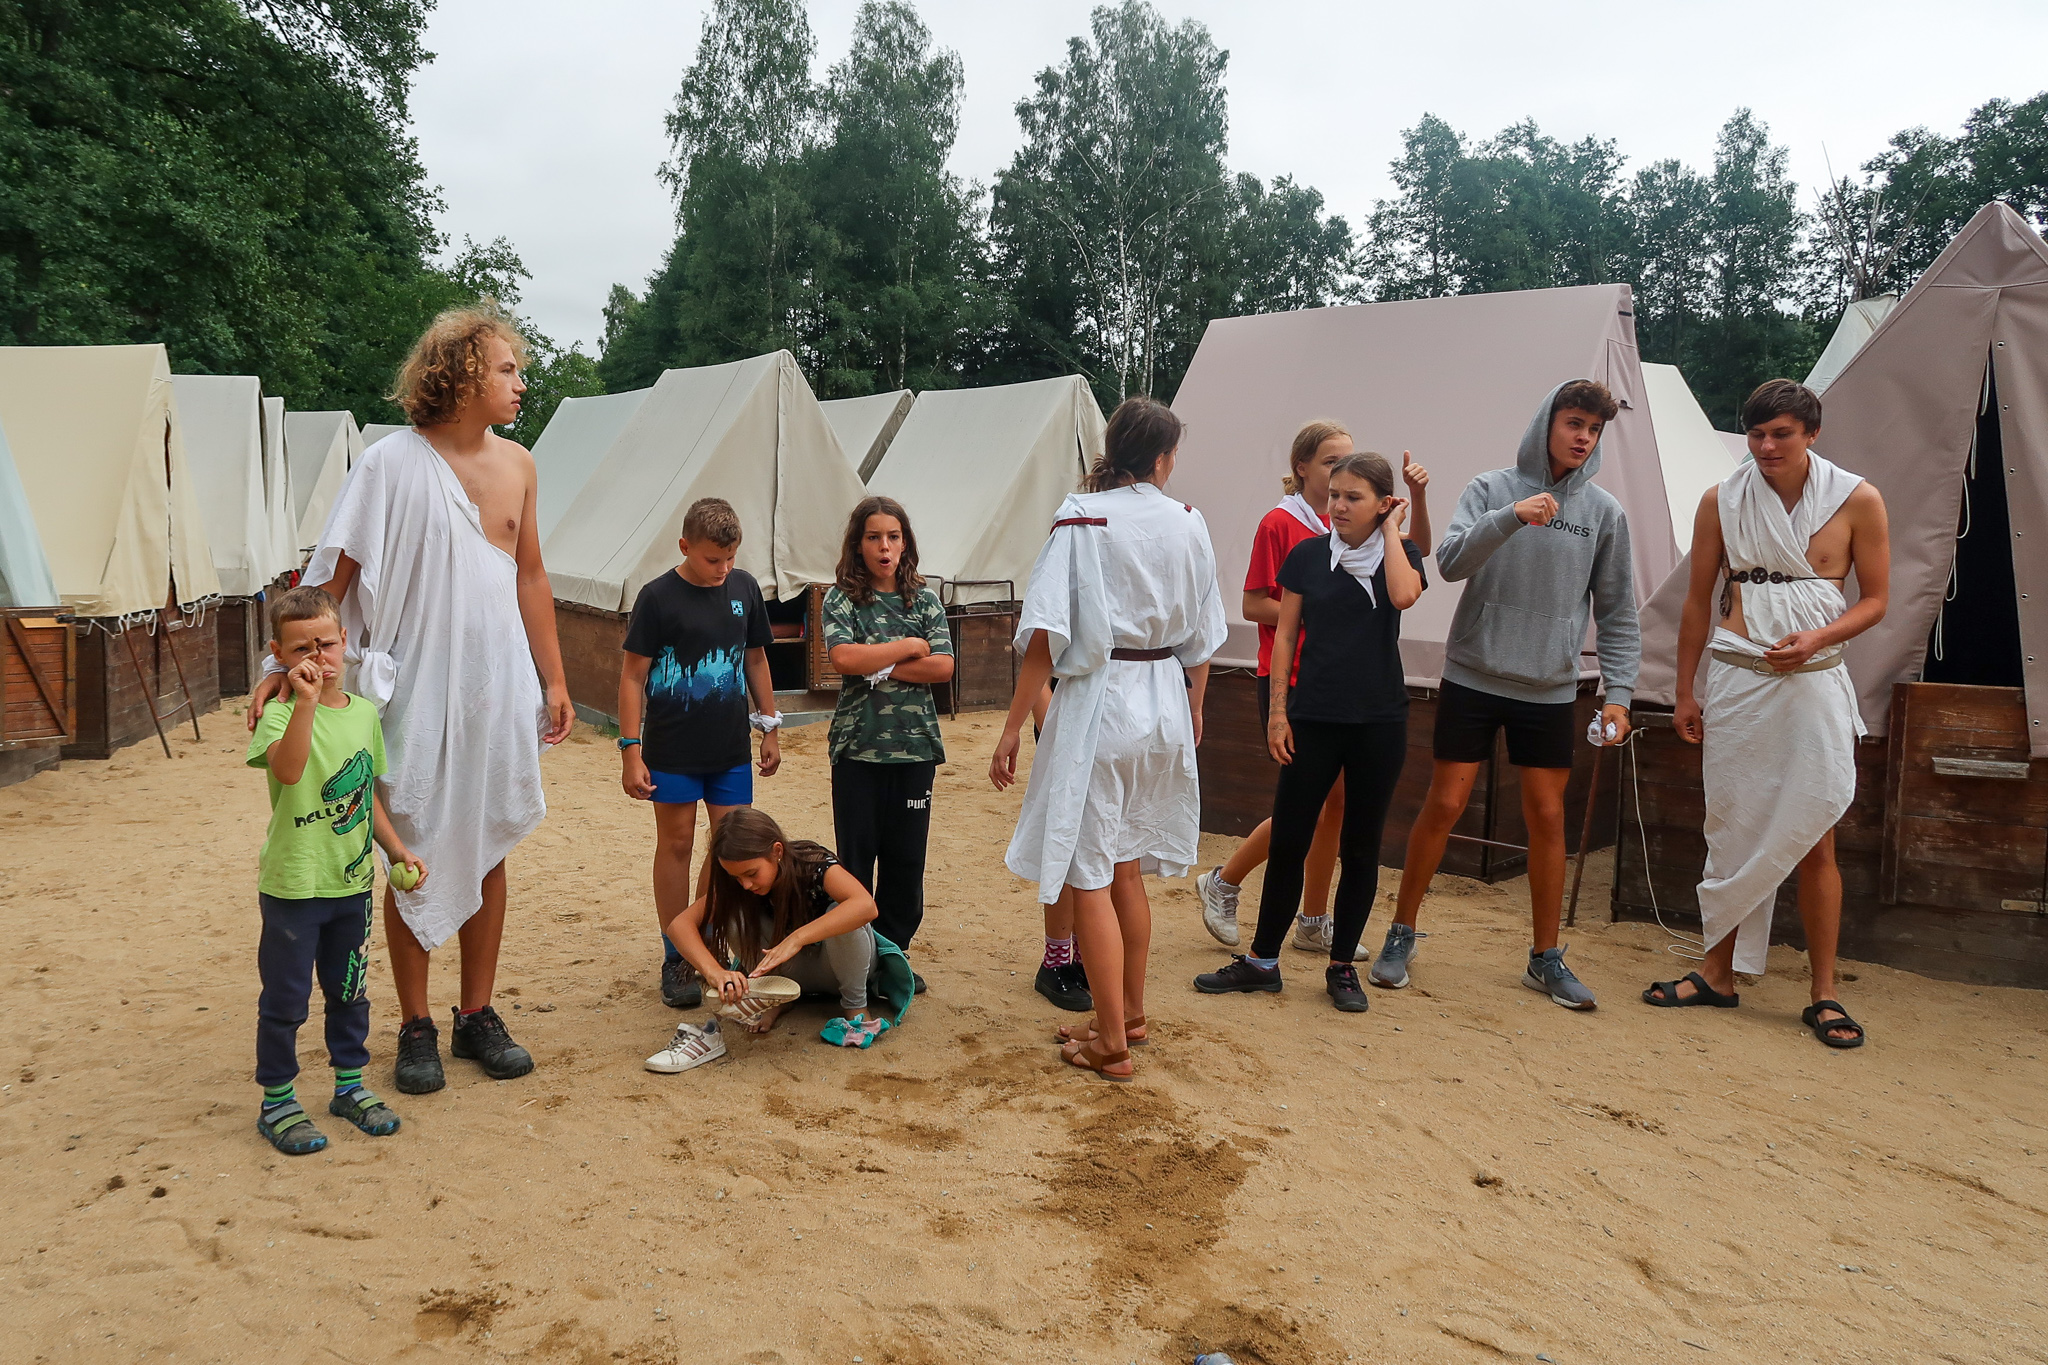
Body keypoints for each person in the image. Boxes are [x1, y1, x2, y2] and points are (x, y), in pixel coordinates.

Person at [247, 303, 574, 1094]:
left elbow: (530, 575)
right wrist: (278, 662)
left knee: (488, 840)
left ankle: (477, 1013)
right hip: (416, 688)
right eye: (508, 369)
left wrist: (556, 677)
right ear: (461, 373)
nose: (521, 383)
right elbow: (331, 581)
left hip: (498, 686)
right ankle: (416, 1024)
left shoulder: (521, 465)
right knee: (415, 845)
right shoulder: (389, 464)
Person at [1644, 379, 1888, 1048]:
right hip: (1737, 677)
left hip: (1812, 680)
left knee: (1815, 833)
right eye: (1756, 434)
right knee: (1729, 825)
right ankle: (1716, 974)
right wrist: (1685, 691)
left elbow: (1877, 601)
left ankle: (1824, 992)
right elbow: (1696, 600)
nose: (1766, 446)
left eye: (1781, 434)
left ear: (1811, 434)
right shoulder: (1721, 499)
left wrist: (1818, 637)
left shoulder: (1858, 499)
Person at [990, 397, 1229, 1081]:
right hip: (1164, 700)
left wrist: (1012, 728)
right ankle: (1127, 1015)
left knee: (1090, 872)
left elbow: (1046, 634)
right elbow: (1204, 635)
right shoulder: (1189, 520)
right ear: (1163, 458)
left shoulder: (1082, 516)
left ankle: (1112, 1044)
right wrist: (1195, 707)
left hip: (1102, 700)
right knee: (1124, 866)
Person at [1380, 380, 1639, 1008]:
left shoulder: (1604, 512)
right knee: (1445, 803)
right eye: (1574, 423)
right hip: (1473, 673)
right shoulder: (1491, 488)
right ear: (1547, 423)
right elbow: (1448, 563)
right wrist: (1512, 517)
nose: (1583, 437)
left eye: (1594, 429)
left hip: (1550, 686)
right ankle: (1400, 932)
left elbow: (1618, 612)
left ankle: (1545, 959)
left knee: (1548, 816)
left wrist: (1620, 694)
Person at [1195, 453, 1430, 1010]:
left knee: (1362, 846)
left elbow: (1403, 596)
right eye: (1335, 495)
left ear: (1383, 504)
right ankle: (1262, 961)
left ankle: (1341, 966)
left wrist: (1392, 531)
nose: (1339, 506)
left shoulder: (1401, 553)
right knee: (1291, 839)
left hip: (1379, 722)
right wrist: (1278, 713)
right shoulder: (1306, 554)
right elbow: (1283, 636)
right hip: (1314, 716)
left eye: (1353, 497)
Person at [246, 586, 426, 1154]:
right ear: (278, 654)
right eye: (301, 648)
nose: (316, 657)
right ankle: (277, 1101)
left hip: (351, 884)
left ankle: (349, 1087)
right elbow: (290, 772)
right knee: (286, 1001)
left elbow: (364, 793)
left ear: (344, 641)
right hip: (294, 886)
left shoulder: (364, 715)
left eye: (325, 643)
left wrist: (396, 851)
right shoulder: (279, 714)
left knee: (350, 992)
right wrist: (303, 703)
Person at [618, 498, 782, 1013]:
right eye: (713, 559)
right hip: (670, 749)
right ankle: (676, 955)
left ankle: (709, 938)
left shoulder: (745, 589)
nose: (723, 569)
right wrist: (630, 750)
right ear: (685, 546)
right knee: (676, 844)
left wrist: (770, 726)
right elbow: (632, 677)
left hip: (730, 748)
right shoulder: (656, 597)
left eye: (731, 558)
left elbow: (756, 659)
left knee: (727, 847)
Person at [646, 808, 907, 1072]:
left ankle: (855, 1006)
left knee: (844, 912)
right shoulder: (737, 886)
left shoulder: (813, 863)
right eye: (736, 877)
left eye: (751, 873)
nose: (746, 884)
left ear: (777, 851)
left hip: (840, 967)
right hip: (785, 975)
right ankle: (776, 998)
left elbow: (866, 906)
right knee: (734, 912)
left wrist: (798, 938)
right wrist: (714, 972)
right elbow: (679, 926)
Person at [823, 496, 954, 960]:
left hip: (915, 751)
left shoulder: (924, 599)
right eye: (874, 537)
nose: (884, 546)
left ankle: (893, 958)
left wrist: (879, 664)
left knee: (905, 863)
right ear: (858, 544)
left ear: (905, 543)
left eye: (893, 537)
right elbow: (843, 657)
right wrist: (908, 646)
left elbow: (943, 667)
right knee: (855, 862)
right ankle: (857, 960)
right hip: (857, 751)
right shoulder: (842, 598)